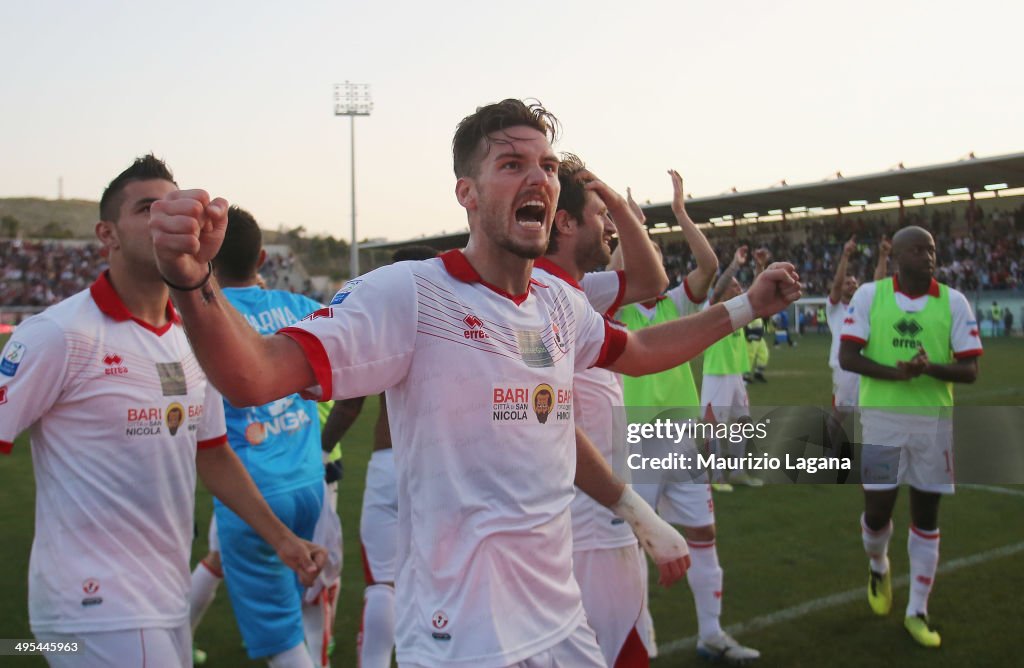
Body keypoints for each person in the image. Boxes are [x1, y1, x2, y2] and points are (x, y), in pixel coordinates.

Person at [148, 99, 800, 667]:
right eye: (511, 164)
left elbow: (640, 349)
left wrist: (745, 307)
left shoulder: (555, 299)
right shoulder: (408, 294)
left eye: (545, 164)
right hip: (462, 637)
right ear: (467, 192)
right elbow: (252, 374)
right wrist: (191, 277)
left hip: (562, 623)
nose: (538, 176)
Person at [0, 155, 324, 668]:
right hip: (94, 602)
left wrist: (282, 539)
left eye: (174, 207)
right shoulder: (57, 334)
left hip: (165, 594)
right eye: (147, 208)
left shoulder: (195, 336)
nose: (165, 220)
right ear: (107, 233)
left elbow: (214, 453)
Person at [612, 173, 760, 663]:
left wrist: (678, 213)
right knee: (631, 548)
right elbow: (618, 271)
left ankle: (711, 634)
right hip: (635, 447)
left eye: (653, 253)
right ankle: (634, 642)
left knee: (703, 536)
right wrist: (628, 223)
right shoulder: (615, 312)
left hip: (682, 443)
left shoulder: (677, 303)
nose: (649, 260)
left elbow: (708, 264)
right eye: (641, 255)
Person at [185, 205, 342, 668]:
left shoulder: (200, 320)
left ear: (207, 260)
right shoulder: (300, 308)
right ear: (260, 258)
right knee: (303, 601)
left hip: (249, 492)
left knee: (279, 638)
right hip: (309, 485)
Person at [533, 154, 668, 667]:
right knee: (619, 653)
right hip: (590, 513)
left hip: (592, 508)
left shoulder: (577, 289)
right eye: (598, 215)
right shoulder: (546, 293)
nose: (609, 228)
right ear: (564, 223)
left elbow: (651, 280)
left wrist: (613, 205)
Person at [839, 225, 982, 648]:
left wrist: (928, 368)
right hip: (882, 421)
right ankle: (879, 564)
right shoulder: (870, 295)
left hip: (933, 423)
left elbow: (970, 370)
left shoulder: (954, 302)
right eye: (919, 250)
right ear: (898, 257)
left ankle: (917, 609)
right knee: (878, 511)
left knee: (927, 514)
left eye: (932, 249)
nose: (929, 256)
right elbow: (849, 356)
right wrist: (897, 374)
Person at [319, 245, 439, 668]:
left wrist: (318, 448)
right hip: (443, 469)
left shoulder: (387, 322)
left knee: (381, 584)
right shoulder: (459, 320)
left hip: (390, 464)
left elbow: (349, 404)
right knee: (446, 582)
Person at [825, 236, 889, 473]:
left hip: (866, 363)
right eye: (848, 283)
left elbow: (879, 284)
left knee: (870, 410)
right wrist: (845, 256)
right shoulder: (834, 309)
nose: (851, 285)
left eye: (854, 282)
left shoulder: (865, 306)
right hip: (844, 367)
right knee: (841, 411)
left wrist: (883, 256)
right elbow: (835, 286)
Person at [700, 247, 762, 488]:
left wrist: (759, 266)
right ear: (723, 290)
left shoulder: (739, 311)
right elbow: (717, 289)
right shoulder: (712, 309)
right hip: (717, 374)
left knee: (742, 421)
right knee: (713, 425)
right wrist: (734, 264)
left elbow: (757, 295)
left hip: (735, 374)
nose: (739, 289)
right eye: (734, 286)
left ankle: (737, 471)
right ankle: (715, 476)